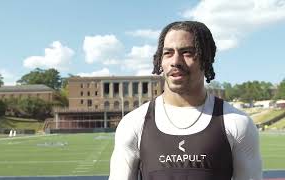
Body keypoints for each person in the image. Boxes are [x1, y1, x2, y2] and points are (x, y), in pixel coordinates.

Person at [108, 21, 262, 180]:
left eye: (187, 52)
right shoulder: (134, 123)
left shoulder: (237, 123)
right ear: (160, 60)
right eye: (168, 53)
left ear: (206, 58)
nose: (175, 61)